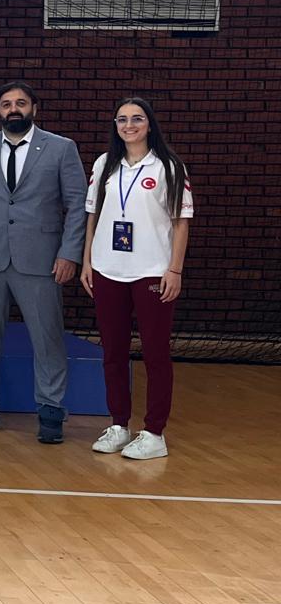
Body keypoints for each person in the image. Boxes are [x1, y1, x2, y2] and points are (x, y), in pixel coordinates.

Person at [0, 80, 87, 443]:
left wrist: (69, 253)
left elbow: (77, 204)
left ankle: (50, 410)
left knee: (47, 338)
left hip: (43, 258)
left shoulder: (61, 148)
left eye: (20, 103)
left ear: (34, 108)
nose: (13, 109)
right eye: (6, 104)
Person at [81, 97, 192, 461]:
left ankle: (155, 432)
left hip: (152, 271)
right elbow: (93, 216)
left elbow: (181, 222)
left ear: (149, 124)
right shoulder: (104, 164)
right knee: (112, 352)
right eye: (122, 119)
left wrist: (174, 269)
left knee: (155, 353)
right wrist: (88, 261)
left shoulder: (168, 166)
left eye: (137, 119)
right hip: (108, 269)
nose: (129, 125)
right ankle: (119, 424)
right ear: (115, 125)